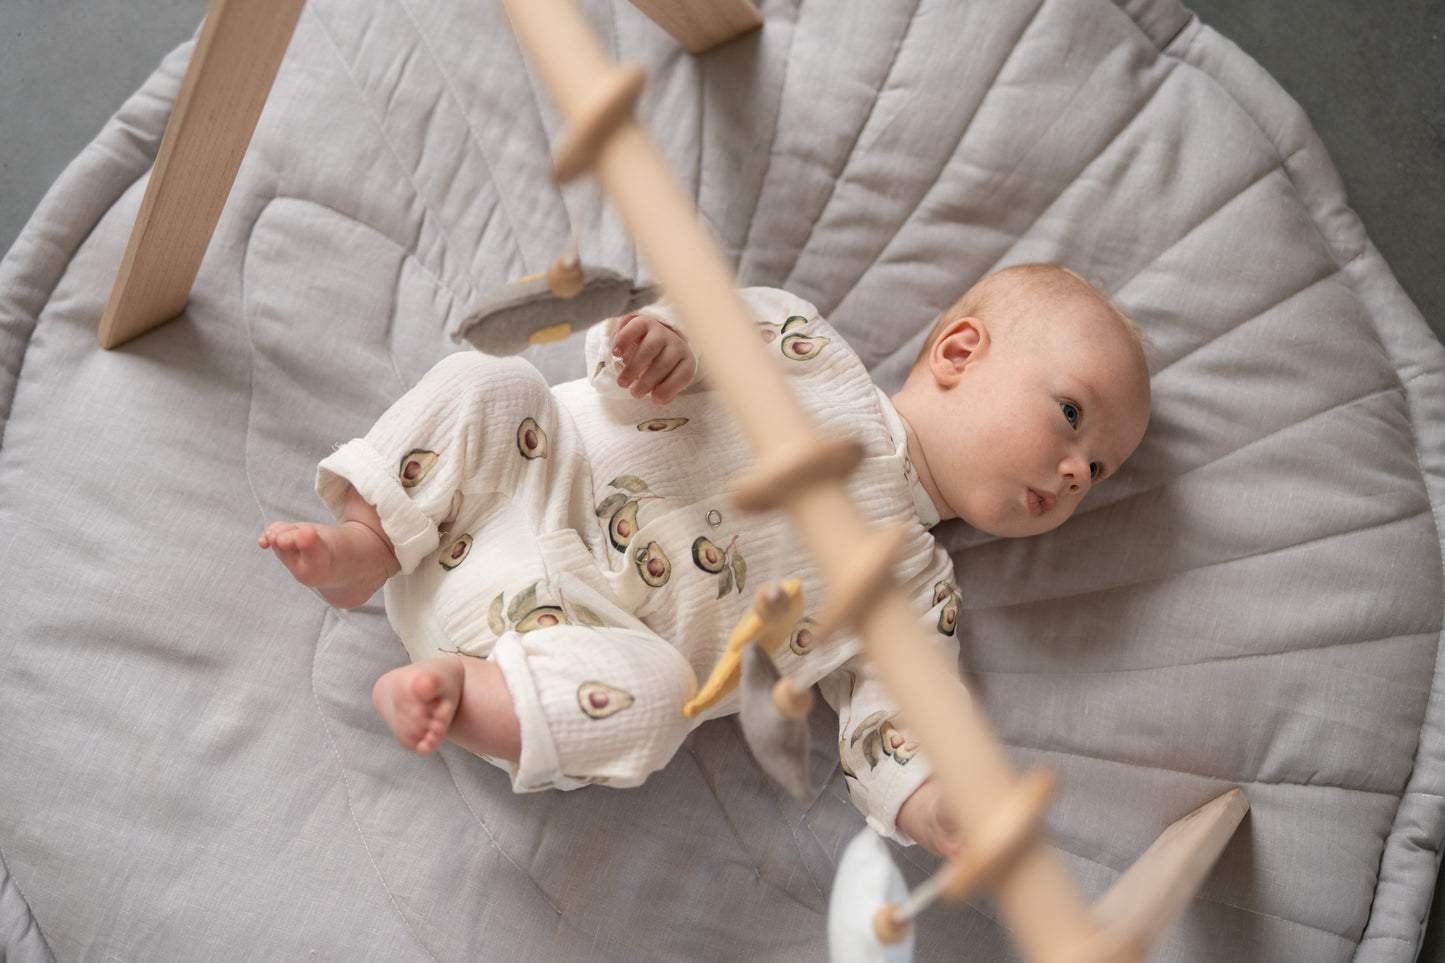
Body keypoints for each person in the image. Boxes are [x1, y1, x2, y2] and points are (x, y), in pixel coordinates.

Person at [259, 264, 1151, 860]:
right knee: (486, 385)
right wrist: (655, 347)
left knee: (655, 706)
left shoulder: (916, 589)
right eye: (1072, 416)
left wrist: (929, 802)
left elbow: (898, 716)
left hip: (561, 638)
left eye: (1100, 470)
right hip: (523, 478)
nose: (1077, 471)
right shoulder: (801, 342)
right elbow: (632, 356)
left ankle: (460, 692)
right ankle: (366, 546)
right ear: (960, 352)